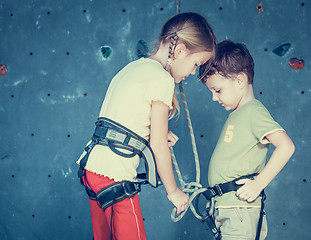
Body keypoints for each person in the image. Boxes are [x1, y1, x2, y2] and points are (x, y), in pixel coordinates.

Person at [76, 12, 216, 240]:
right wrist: (174, 192)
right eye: (196, 64)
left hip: (93, 168)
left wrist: (151, 134)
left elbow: (124, 120)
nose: (192, 73)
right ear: (180, 51)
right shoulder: (162, 79)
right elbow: (159, 147)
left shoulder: (133, 68)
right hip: (115, 175)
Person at [199, 40, 295, 239]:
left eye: (217, 90)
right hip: (227, 208)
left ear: (240, 80)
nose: (214, 98)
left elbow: (286, 146)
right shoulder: (238, 114)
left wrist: (258, 184)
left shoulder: (253, 111)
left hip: (240, 211)